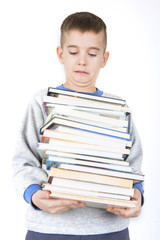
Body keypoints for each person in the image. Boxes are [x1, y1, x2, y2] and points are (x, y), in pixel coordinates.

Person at [12, 12, 144, 240]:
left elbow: (133, 163)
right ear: (60, 54)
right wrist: (34, 195)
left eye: (92, 53)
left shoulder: (119, 108)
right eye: (73, 52)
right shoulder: (41, 101)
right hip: (49, 228)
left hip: (109, 230)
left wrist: (137, 195)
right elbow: (23, 161)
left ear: (104, 58)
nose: (82, 60)